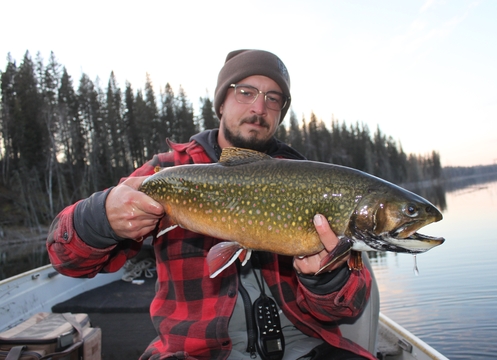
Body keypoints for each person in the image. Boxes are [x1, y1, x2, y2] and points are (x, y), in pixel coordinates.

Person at [47, 49, 374, 360]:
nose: (259, 109)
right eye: (246, 92)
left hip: (306, 347)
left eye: (273, 99)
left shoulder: (311, 181)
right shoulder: (169, 171)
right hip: (194, 353)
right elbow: (67, 260)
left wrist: (326, 279)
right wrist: (102, 218)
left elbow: (348, 308)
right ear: (220, 103)